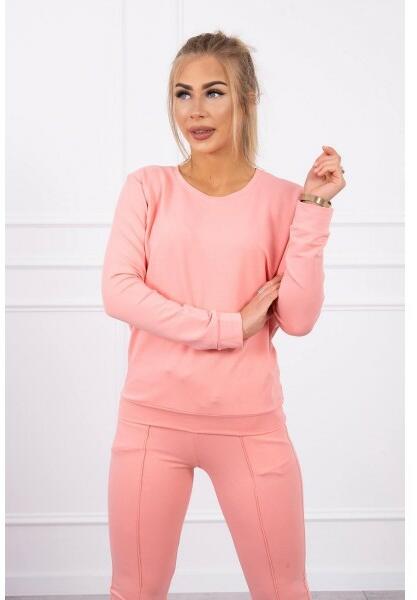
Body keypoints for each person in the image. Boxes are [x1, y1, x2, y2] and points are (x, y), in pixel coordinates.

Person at [101, 30, 346, 600]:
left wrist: (314, 208)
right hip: (151, 424)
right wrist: (228, 328)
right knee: (134, 590)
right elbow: (118, 292)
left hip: (251, 426)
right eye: (182, 94)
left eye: (213, 92)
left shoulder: (285, 199)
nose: (195, 110)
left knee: (284, 590)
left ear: (246, 98)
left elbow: (299, 318)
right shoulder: (147, 187)